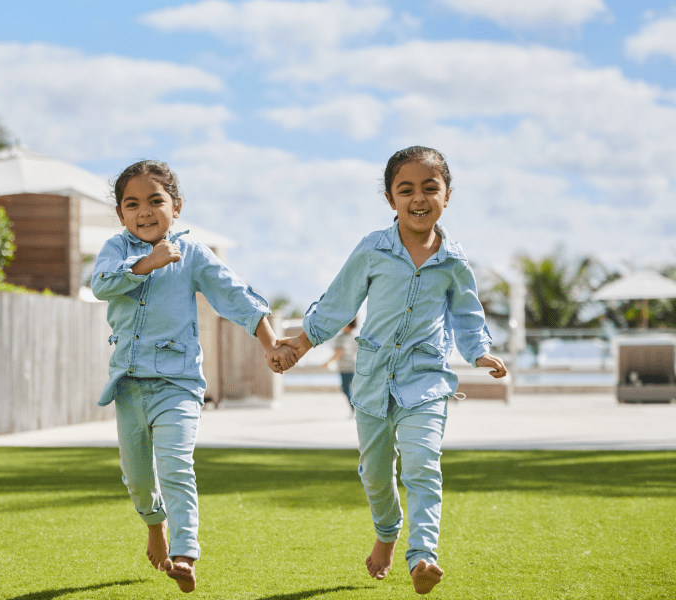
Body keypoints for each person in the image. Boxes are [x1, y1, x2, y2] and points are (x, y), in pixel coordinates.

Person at [277, 146, 506, 595]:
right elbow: (338, 302)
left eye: (429, 188)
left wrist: (480, 352)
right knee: (376, 475)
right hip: (373, 381)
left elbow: (466, 312)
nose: (418, 198)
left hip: (427, 380)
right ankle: (387, 531)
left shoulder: (454, 260)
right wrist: (301, 344)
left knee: (423, 465)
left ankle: (423, 556)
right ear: (390, 199)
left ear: (447, 195)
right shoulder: (372, 249)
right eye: (406, 190)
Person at [91, 160, 296, 593]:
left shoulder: (194, 254)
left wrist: (269, 341)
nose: (144, 211)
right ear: (121, 214)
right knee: (137, 475)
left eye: (155, 201)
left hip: (178, 383)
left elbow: (236, 296)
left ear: (176, 206)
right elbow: (102, 285)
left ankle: (184, 553)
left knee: (176, 465)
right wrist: (147, 263)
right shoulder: (115, 249)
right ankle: (155, 524)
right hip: (128, 383)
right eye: (132, 204)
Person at [323, 318, 358, 413]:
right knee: (354, 388)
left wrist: (327, 363)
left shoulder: (340, 338)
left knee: (345, 388)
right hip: (354, 366)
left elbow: (338, 353)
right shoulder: (356, 337)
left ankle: (353, 408)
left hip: (345, 367)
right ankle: (356, 407)